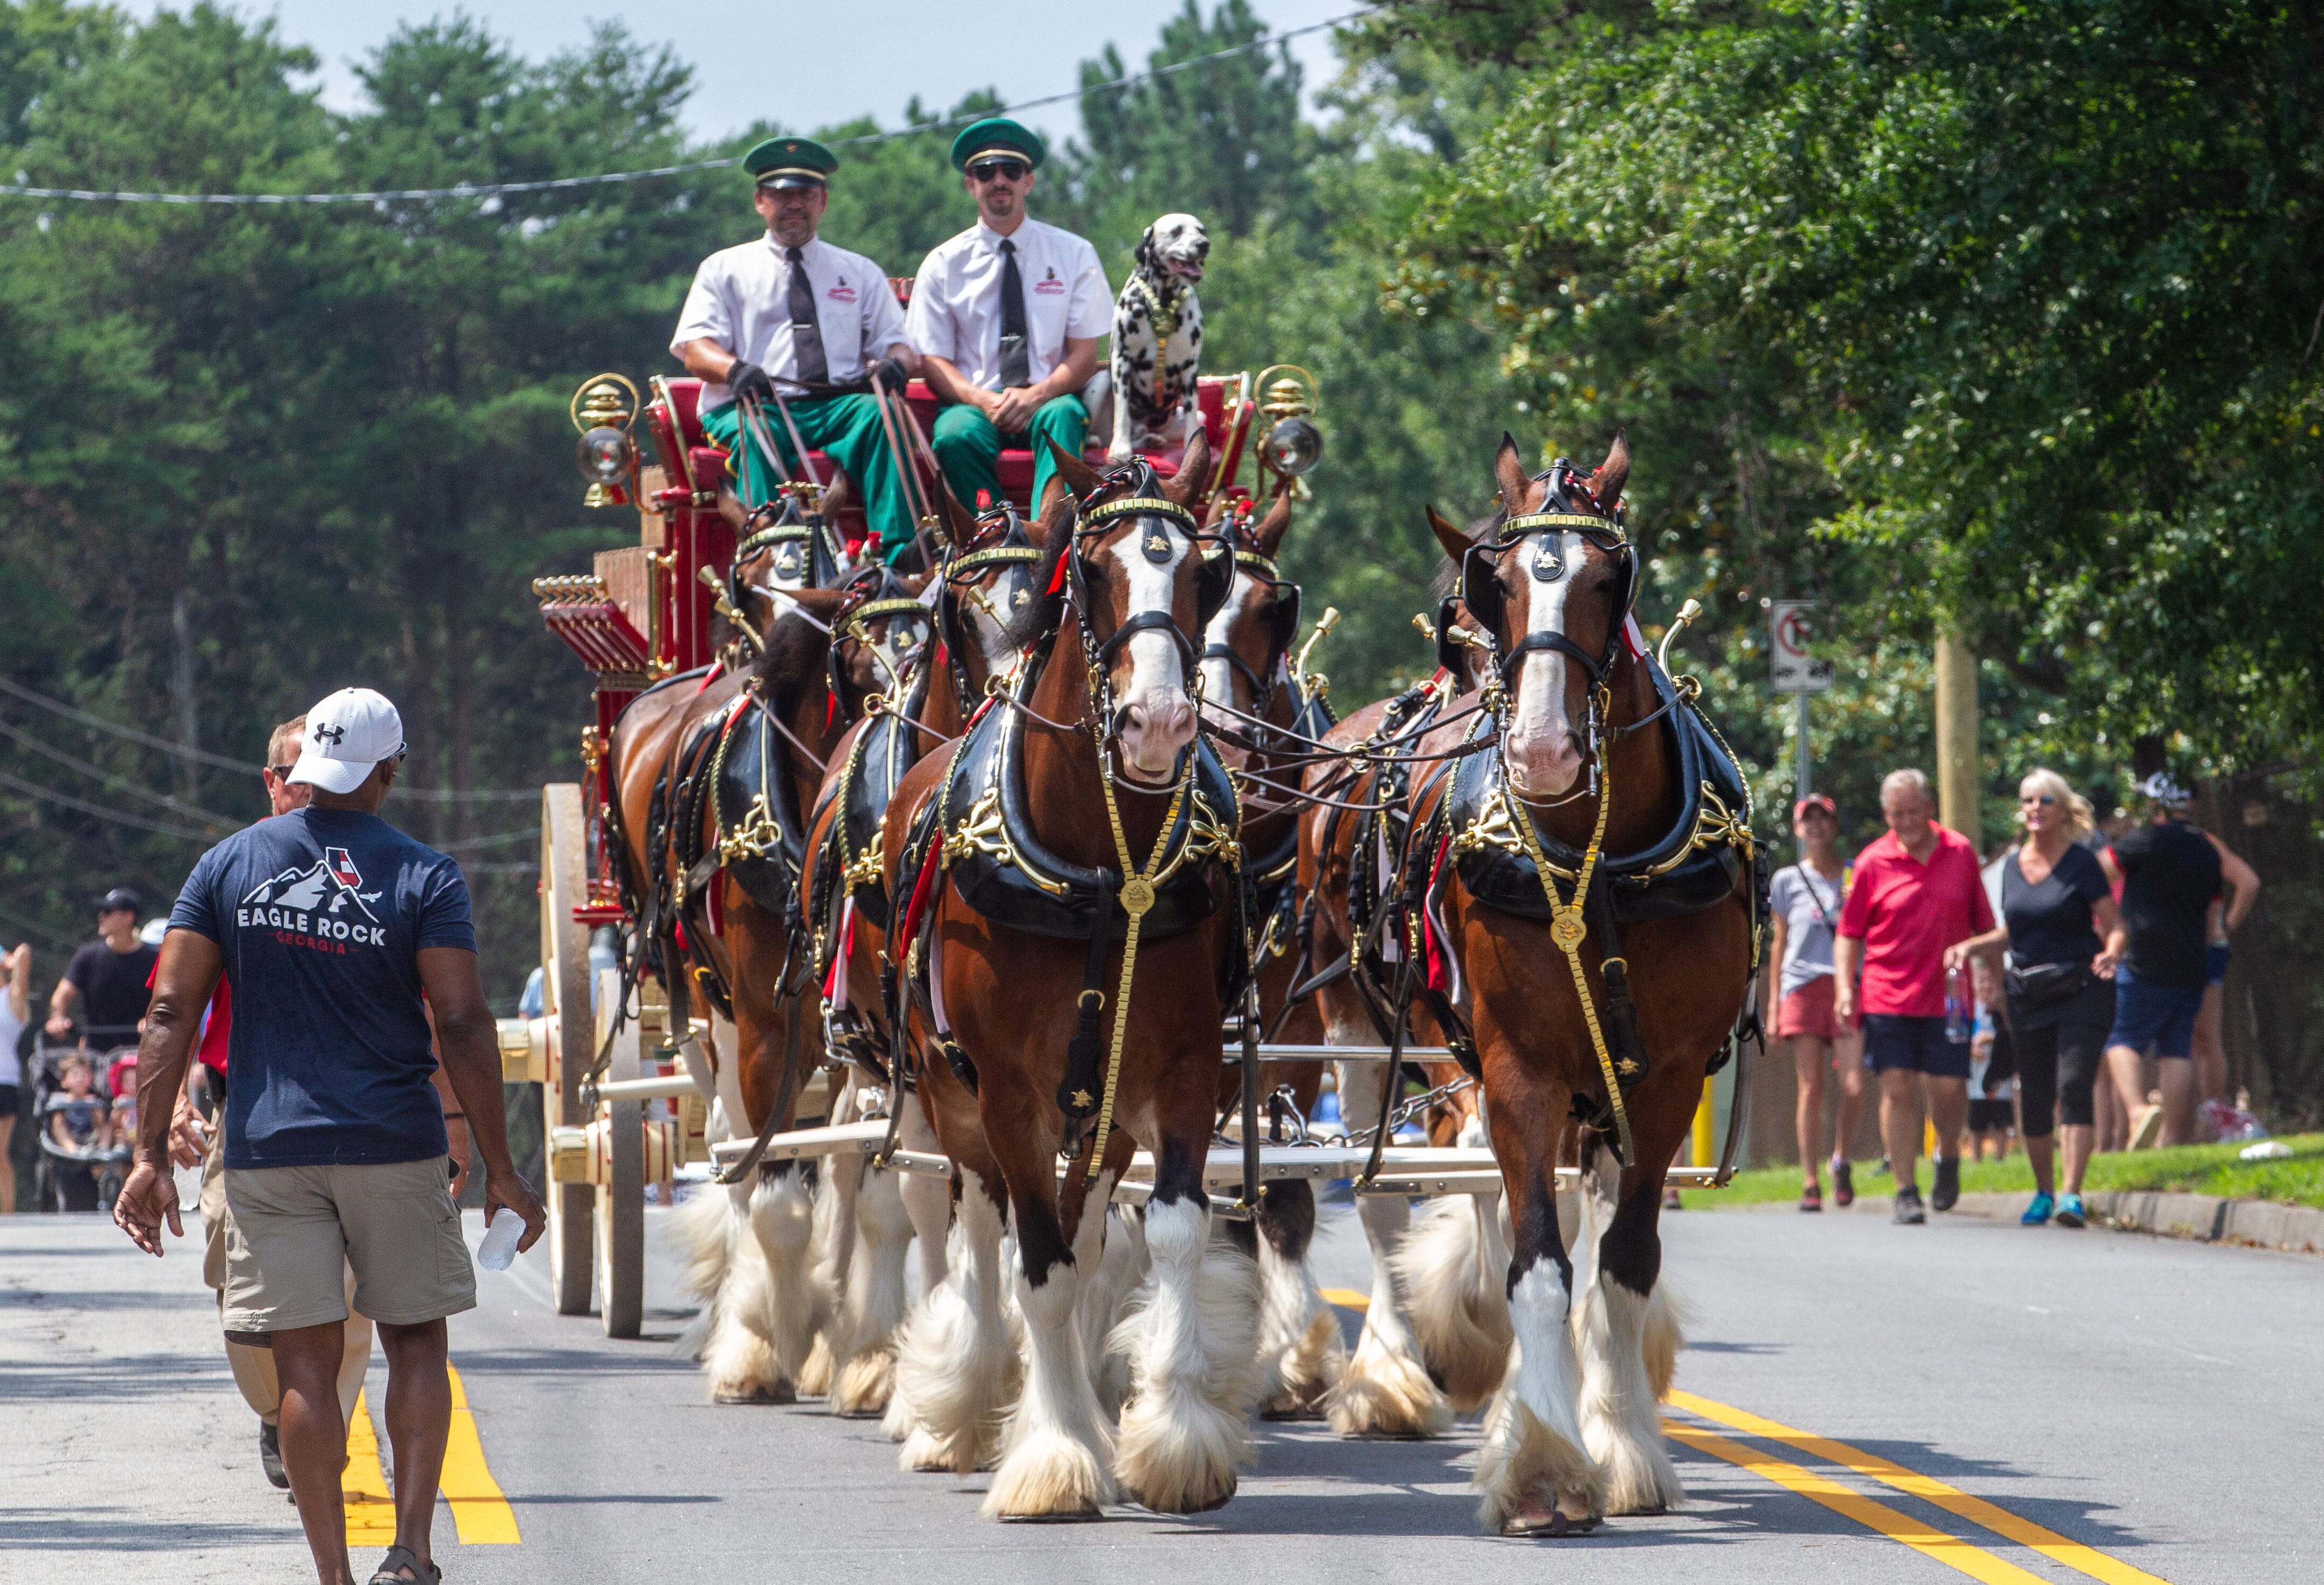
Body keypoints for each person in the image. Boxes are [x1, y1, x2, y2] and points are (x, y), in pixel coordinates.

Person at [114, 686, 545, 1585]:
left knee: (306, 1368)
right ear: (389, 769)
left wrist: (150, 1151)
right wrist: (502, 1167)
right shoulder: (427, 873)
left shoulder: (227, 865)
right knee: (415, 1340)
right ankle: (412, 1553)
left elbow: (168, 1010)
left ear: (305, 762)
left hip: (270, 1147)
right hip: (393, 1141)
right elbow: (462, 1022)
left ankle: (333, 1577)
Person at [160, 714, 380, 1492]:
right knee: (238, 1282)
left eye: (327, 776)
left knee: (350, 1296)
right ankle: (278, 1407)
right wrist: (172, 1115)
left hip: (363, 1119)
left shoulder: (378, 872)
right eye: (298, 777)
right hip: (245, 1113)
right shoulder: (231, 871)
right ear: (273, 783)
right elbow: (176, 1004)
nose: (311, 790)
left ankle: (319, 1418)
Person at [673, 136, 921, 560]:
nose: (794, 204)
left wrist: (896, 365)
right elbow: (694, 348)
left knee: (885, 414)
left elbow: (901, 348)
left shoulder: (859, 272)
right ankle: (772, 557)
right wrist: (735, 370)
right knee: (757, 434)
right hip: (754, 404)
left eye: (805, 194)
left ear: (823, 201)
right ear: (759, 202)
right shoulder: (724, 269)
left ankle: (896, 557)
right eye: (780, 194)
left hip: (838, 407)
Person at [1948, 770, 2124, 1227]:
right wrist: (1974, 945)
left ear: (2063, 809)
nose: (2035, 808)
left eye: (2045, 800)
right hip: (2028, 991)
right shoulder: (2011, 865)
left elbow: (2115, 924)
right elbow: (2015, 929)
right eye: (2028, 800)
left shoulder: (2082, 862)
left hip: (2081, 986)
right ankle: (2043, 1191)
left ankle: (2072, 1194)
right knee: (2037, 1093)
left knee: (2073, 1083)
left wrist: (2112, 953)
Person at [909, 118, 1111, 514]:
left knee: (1065, 416)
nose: (998, 180)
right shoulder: (943, 263)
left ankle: (1050, 539)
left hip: (1048, 398)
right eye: (985, 172)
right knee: (953, 434)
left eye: (1011, 171)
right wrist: (982, 400)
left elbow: (1085, 355)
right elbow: (932, 360)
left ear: (1028, 182)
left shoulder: (1074, 254)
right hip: (974, 404)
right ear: (971, 184)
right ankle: (991, 543)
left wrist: (1037, 394)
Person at [1833, 768, 1995, 1225]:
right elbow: (1849, 933)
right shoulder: (1871, 861)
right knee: (1898, 1087)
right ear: (1886, 814)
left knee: (1947, 1087)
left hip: (1948, 996)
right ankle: (1905, 1187)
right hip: (1887, 993)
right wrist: (1845, 987)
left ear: (1930, 807)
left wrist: (1988, 972)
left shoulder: (1960, 852)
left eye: (1912, 811)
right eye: (1895, 813)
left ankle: (1947, 1155)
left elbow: (1986, 924)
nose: (1904, 821)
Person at [2099, 774, 2225, 1147]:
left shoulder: (2146, 840)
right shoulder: (2207, 850)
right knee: (2176, 1049)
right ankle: (2170, 1138)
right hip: (2191, 963)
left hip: (2144, 961)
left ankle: (2138, 1112)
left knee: (2120, 1040)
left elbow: (2096, 872)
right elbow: (2213, 912)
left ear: (2157, 805)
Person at [1763, 794, 1865, 1211]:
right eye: (1809, 820)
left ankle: (1840, 1157)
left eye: (1824, 819)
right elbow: (1779, 943)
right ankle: (1809, 1178)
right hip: (1801, 984)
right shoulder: (1786, 879)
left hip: (1846, 984)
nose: (1816, 826)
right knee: (1812, 1086)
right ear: (1798, 828)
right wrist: (1773, 1006)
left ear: (1835, 826)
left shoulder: (1854, 874)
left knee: (1854, 1085)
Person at [2190, 839, 2260, 1120]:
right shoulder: (2144, 841)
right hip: (2165, 948)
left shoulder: (2203, 842)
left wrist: (2225, 926)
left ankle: (2213, 1118)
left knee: (2204, 1037)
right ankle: (2180, 1123)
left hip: (2205, 949)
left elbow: (2249, 882)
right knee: (2181, 1040)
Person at [46, 888, 159, 1051]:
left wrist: (151, 1019)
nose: (101, 916)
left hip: (137, 1057)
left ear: (129, 917)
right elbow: (62, 994)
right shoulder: (88, 955)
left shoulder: (153, 960)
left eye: (108, 911)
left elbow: (166, 1002)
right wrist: (57, 1018)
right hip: (95, 1056)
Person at [1, 940, 27, 1213]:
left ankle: (7, 1215)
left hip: (4, 1081)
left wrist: (8, 961)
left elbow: (24, 953)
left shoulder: (11, 998)